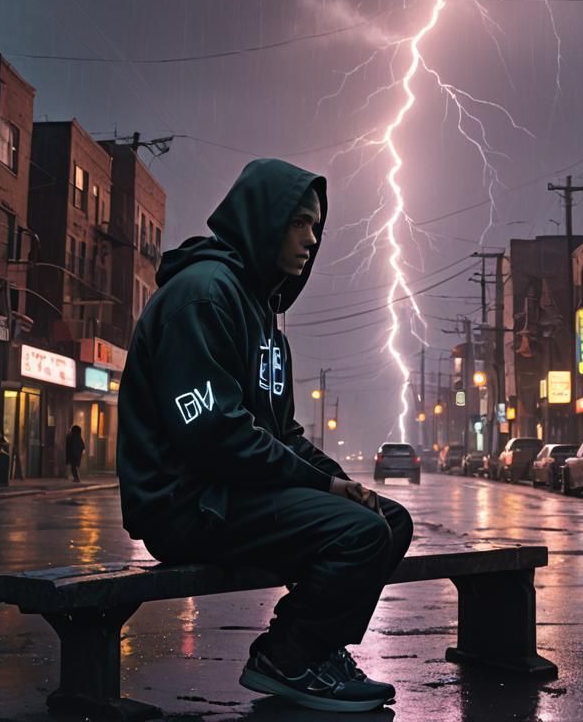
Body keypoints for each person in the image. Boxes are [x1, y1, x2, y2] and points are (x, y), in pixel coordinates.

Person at [117, 159, 413, 713]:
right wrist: (321, 490)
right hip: (185, 501)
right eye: (300, 222)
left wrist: (335, 481)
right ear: (263, 218)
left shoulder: (262, 312)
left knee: (388, 518)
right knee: (359, 534)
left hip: (230, 492)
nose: (310, 239)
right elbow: (214, 433)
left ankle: (312, 647)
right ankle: (288, 657)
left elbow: (280, 432)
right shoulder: (203, 297)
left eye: (317, 227)